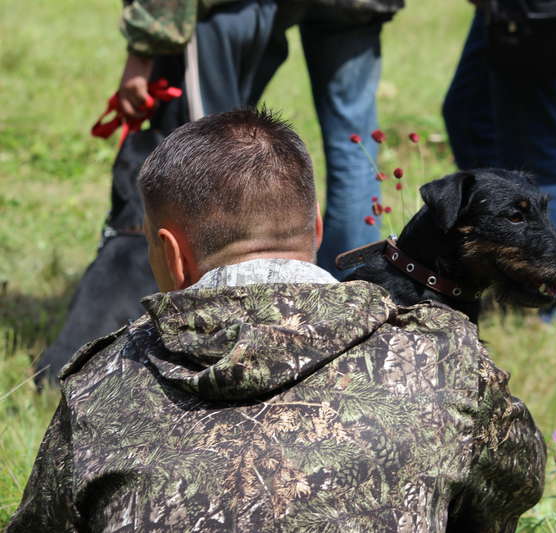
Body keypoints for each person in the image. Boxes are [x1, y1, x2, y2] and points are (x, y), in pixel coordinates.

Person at [8, 109, 546, 532]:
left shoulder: (103, 382)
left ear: (171, 254)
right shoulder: (445, 356)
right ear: (315, 229)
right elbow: (510, 492)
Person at [37, 0, 400, 383]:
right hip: (350, 7)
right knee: (354, 146)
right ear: (316, 225)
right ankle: (350, 325)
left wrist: (144, 50)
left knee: (208, 162)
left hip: (227, 11)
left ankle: (218, 343)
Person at [442, 5, 556, 331]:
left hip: (532, 9)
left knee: (538, 146)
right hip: (504, 10)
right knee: (467, 114)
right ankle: (501, 276)